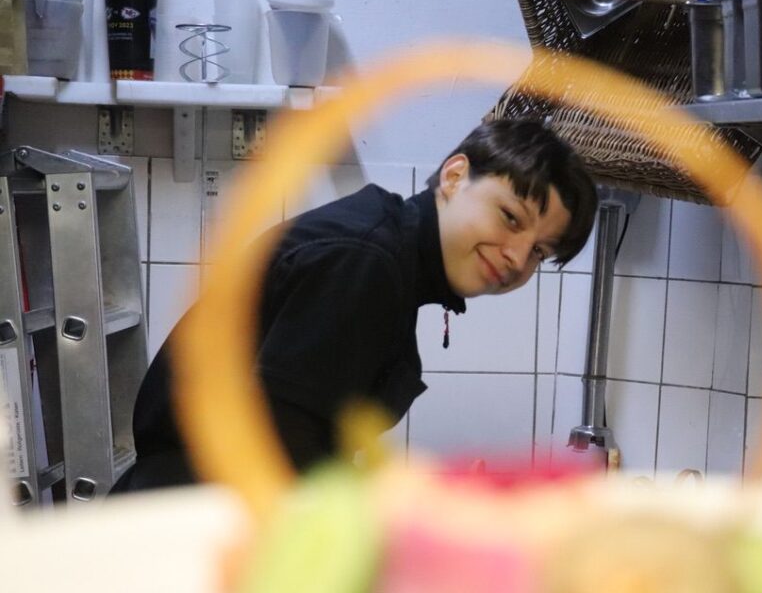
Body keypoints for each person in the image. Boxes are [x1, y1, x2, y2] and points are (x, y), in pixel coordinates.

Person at [114, 119, 598, 491]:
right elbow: (283, 454)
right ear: (455, 177)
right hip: (187, 522)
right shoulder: (366, 258)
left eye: (540, 252)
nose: (517, 258)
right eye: (511, 217)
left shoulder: (388, 252)